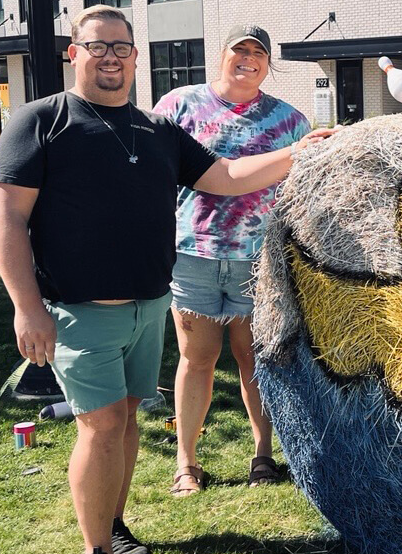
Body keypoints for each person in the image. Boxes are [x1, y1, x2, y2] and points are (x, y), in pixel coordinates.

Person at [0, 6, 334, 554]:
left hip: (150, 306)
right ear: (74, 53)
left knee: (123, 421)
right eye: (97, 47)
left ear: (135, 56)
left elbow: (225, 178)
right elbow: (6, 219)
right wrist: (27, 308)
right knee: (98, 426)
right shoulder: (41, 121)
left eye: (121, 48)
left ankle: (114, 527)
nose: (110, 58)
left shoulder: (158, 130)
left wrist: (303, 150)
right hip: (80, 310)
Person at [152, 25, 310, 497]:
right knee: (196, 359)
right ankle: (186, 462)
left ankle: (263, 453)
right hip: (192, 254)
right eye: (239, 49)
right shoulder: (178, 105)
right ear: (220, 56)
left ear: (268, 64)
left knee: (253, 359)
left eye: (258, 52)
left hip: (256, 261)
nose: (248, 58)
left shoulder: (289, 120)